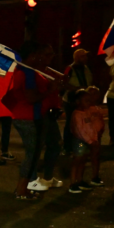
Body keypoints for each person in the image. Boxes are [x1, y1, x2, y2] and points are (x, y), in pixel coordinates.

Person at [4, 41, 64, 200]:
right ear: (33, 55)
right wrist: (50, 90)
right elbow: (31, 97)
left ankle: (23, 188)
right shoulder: (28, 72)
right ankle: (22, 189)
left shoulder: (25, 70)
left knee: (34, 153)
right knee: (32, 155)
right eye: (40, 54)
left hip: (28, 116)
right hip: (29, 117)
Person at [27, 44, 67, 192]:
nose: (51, 57)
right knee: (36, 147)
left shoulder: (48, 72)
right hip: (38, 113)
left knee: (55, 144)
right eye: (47, 54)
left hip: (50, 113)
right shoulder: (33, 72)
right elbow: (33, 94)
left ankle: (47, 177)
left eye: (52, 54)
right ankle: (31, 179)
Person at [69, 87, 106, 193]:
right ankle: (73, 183)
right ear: (78, 102)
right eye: (86, 100)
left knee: (83, 161)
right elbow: (80, 131)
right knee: (77, 161)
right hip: (80, 142)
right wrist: (91, 141)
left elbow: (91, 127)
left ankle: (79, 181)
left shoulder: (87, 112)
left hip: (87, 141)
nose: (89, 103)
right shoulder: (77, 114)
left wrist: (94, 138)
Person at [63, 48, 93, 153]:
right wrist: (76, 89)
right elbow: (64, 83)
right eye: (83, 56)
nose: (85, 58)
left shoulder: (86, 68)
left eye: (85, 56)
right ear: (76, 57)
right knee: (70, 123)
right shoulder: (70, 69)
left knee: (83, 123)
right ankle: (67, 147)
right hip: (72, 99)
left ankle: (81, 145)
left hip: (83, 99)